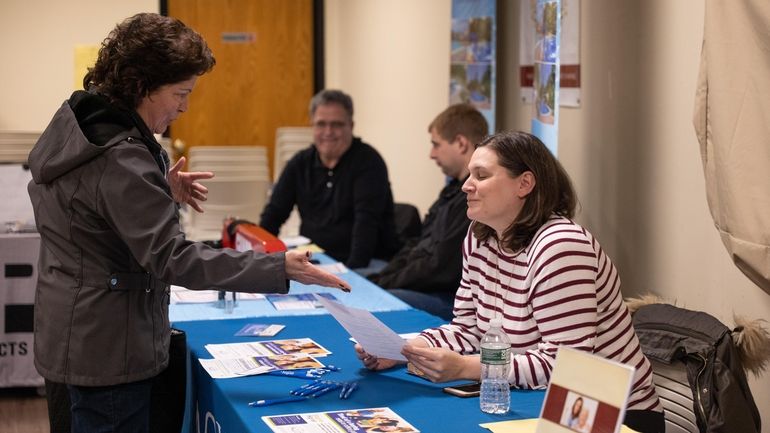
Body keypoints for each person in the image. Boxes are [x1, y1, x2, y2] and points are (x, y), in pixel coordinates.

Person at [26, 13, 349, 433]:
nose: (185, 106)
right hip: (107, 350)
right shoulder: (122, 159)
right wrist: (277, 266)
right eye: (181, 92)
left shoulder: (83, 124)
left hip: (74, 332)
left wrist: (154, 190)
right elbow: (172, 259)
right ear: (142, 85)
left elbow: (87, 209)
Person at [355, 131, 665, 433]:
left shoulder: (562, 246)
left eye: (481, 175)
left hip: (610, 415)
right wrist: (402, 350)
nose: (466, 186)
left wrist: (465, 368)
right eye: (469, 175)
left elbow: (564, 366)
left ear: (524, 184)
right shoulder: (479, 236)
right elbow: (468, 330)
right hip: (536, 399)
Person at [368, 104, 488, 319]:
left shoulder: (471, 201)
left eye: (436, 145)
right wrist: (382, 279)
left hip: (448, 297)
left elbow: (439, 267)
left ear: (461, 144)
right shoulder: (451, 191)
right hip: (425, 284)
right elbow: (417, 244)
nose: (431, 154)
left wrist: (384, 284)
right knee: (360, 282)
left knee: (376, 302)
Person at [259, 89, 401, 269]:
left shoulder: (369, 163)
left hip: (366, 263)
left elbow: (366, 226)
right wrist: (260, 262)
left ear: (351, 125)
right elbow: (274, 214)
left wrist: (349, 277)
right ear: (312, 125)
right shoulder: (300, 163)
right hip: (315, 259)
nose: (328, 132)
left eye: (337, 124)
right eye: (321, 124)